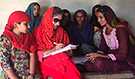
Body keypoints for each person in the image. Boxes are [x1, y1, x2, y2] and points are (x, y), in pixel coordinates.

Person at [85, 5, 135, 73]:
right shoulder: (104, 30)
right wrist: (95, 55)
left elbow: (123, 55)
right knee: (88, 63)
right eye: (97, 18)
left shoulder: (120, 29)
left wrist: (101, 56)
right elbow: (103, 49)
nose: (98, 20)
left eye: (101, 17)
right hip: (111, 57)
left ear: (108, 16)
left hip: (124, 60)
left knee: (98, 63)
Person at [34, 7, 80, 79]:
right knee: (62, 62)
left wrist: (67, 50)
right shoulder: (38, 32)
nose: (58, 24)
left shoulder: (61, 31)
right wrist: (54, 49)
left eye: (60, 21)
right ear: (48, 18)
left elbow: (70, 52)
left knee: (64, 59)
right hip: (45, 62)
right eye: (56, 20)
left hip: (62, 59)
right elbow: (39, 55)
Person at [0, 11, 36, 79]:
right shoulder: (5, 39)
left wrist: (31, 74)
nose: (29, 26)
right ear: (16, 25)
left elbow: (32, 54)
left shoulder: (28, 36)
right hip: (12, 74)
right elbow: (4, 63)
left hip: (28, 72)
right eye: (25, 24)